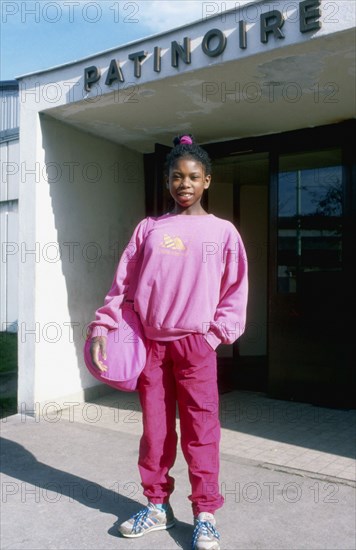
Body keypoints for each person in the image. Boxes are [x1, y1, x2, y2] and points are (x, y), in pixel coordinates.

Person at [88, 134, 248, 550]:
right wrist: (104, 326)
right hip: (152, 348)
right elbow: (121, 285)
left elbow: (235, 292)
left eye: (193, 176)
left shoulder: (223, 232)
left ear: (207, 181)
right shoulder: (149, 229)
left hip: (197, 346)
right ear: (167, 181)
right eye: (176, 177)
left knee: (201, 431)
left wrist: (214, 336)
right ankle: (157, 507)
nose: (184, 184)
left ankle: (205, 514)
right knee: (155, 432)